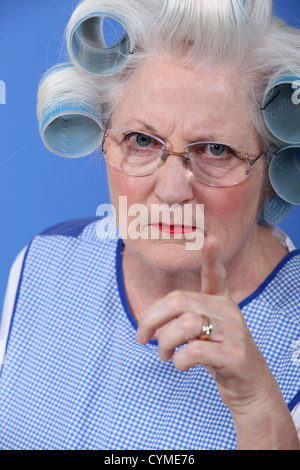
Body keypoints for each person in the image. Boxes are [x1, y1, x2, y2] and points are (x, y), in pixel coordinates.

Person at [0, 0, 300, 450]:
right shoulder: (45, 262)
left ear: (271, 172)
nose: (173, 189)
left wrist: (259, 406)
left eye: (215, 150)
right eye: (141, 140)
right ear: (105, 141)